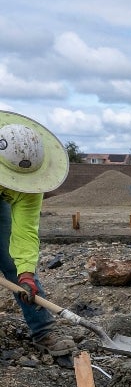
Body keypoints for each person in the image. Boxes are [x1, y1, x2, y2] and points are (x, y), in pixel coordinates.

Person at [0, 112, 76, 358]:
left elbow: (25, 232)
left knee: (14, 264)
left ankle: (43, 331)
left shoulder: (29, 185)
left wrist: (26, 274)